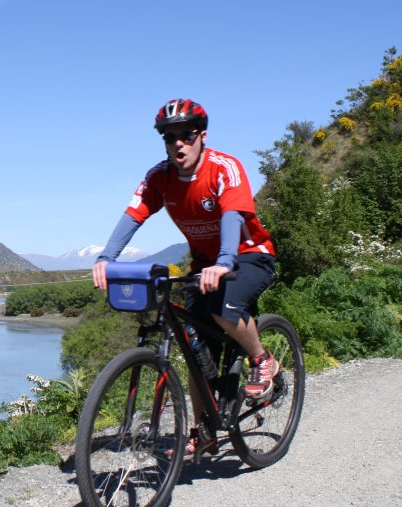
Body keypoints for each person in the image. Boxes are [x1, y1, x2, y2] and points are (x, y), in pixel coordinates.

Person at [91, 98, 277, 457]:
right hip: (205, 264)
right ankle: (203, 430)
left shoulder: (225, 168)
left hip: (249, 255)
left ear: (202, 136)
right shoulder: (159, 177)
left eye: (186, 135)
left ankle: (262, 359)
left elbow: (231, 217)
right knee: (196, 351)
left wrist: (224, 263)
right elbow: (134, 214)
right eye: (169, 136)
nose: (178, 142)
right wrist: (106, 258)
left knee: (226, 309)